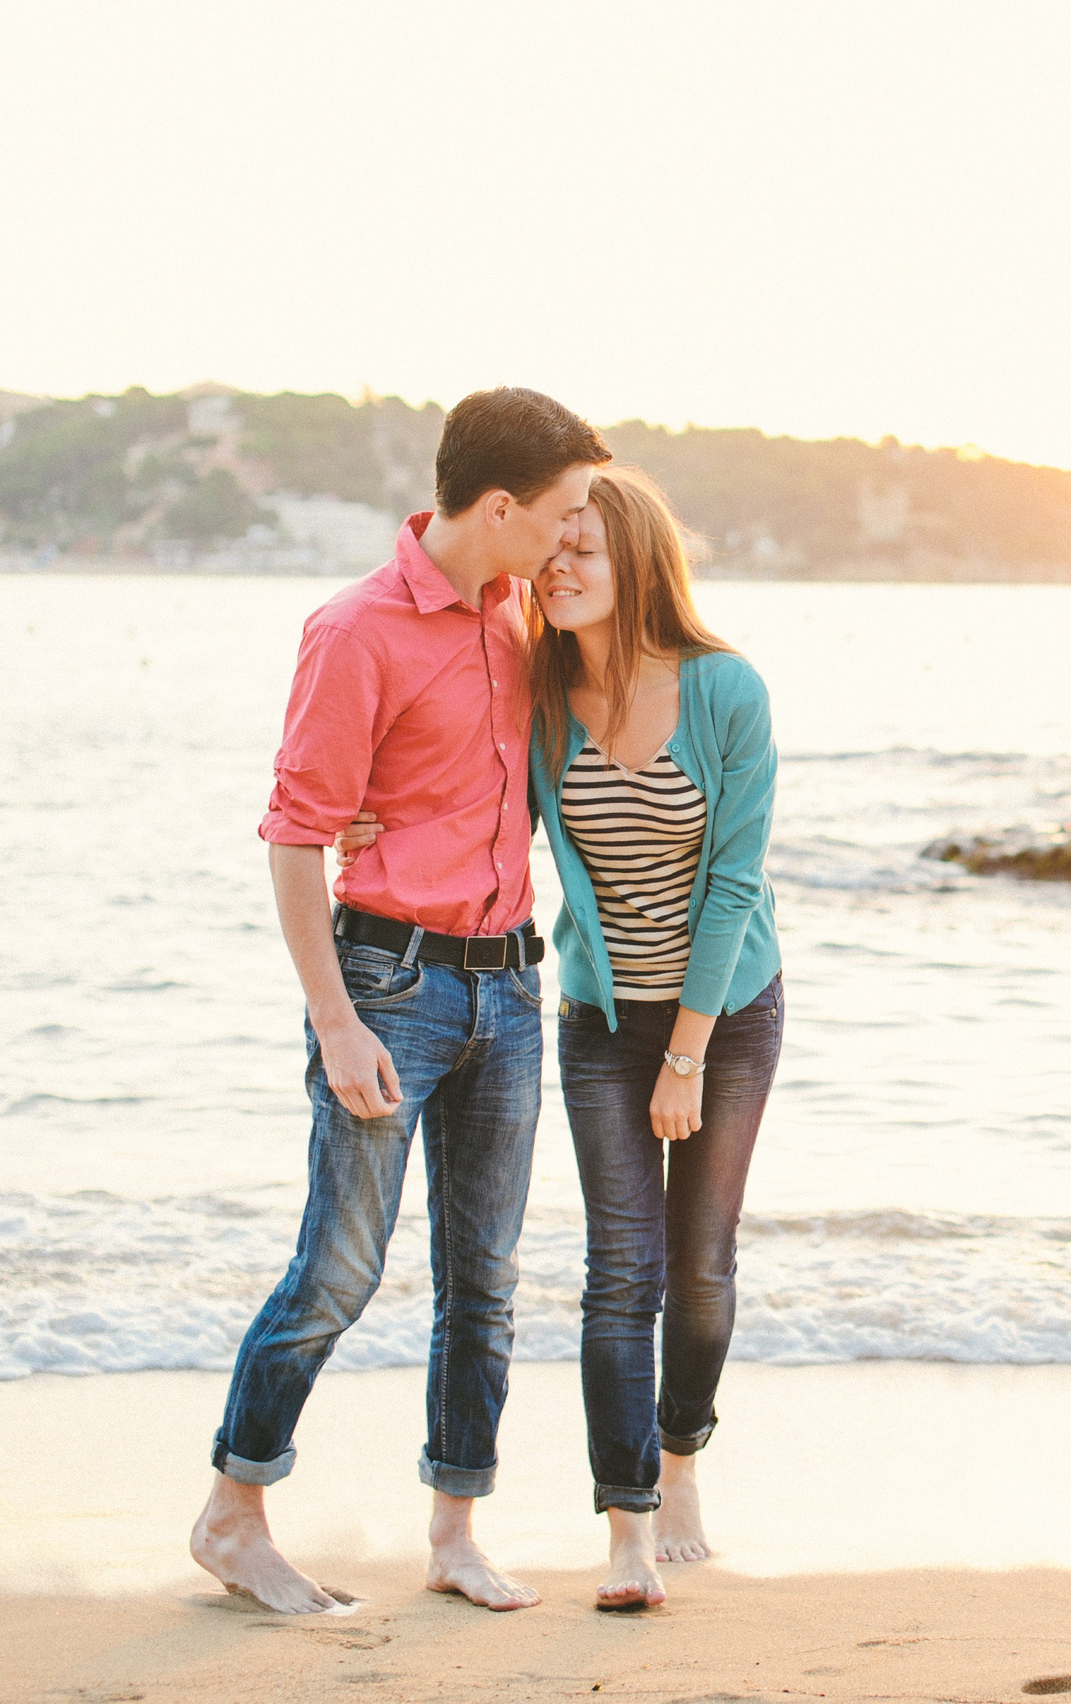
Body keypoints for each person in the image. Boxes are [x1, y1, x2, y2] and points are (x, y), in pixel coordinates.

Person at [189, 387, 611, 1616]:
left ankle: (455, 1533)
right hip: (390, 988)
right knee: (340, 1268)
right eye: (565, 514)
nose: (575, 536)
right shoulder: (354, 632)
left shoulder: (525, 615)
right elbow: (293, 836)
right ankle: (233, 1513)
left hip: (511, 989)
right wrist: (336, 1020)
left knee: (485, 1279)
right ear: (497, 509)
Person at [345, 465, 782, 1611]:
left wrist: (686, 1051)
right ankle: (627, 1530)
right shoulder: (540, 694)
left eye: (585, 547)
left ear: (639, 559)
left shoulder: (726, 690)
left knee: (698, 1271)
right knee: (616, 1275)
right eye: (555, 549)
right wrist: (364, 813)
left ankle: (681, 1455)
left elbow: (735, 883)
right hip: (595, 1017)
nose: (561, 566)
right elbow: (462, 791)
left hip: (727, 1015)